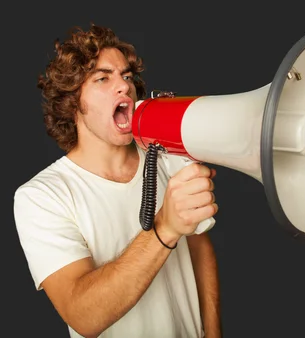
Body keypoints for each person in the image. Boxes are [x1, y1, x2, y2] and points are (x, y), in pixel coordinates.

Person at [13, 24, 221, 338]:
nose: (123, 87)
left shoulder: (166, 155)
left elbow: (199, 248)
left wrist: (214, 332)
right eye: (103, 78)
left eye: (126, 76)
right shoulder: (42, 196)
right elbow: (83, 314)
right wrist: (164, 227)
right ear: (73, 103)